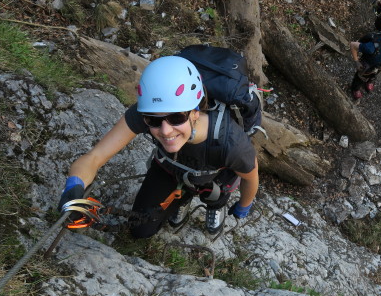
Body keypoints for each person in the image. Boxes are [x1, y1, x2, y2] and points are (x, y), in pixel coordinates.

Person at [57, 55, 259, 238]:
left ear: (195, 112)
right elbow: (94, 157)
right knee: (140, 230)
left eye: (176, 117)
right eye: (154, 121)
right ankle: (182, 199)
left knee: (215, 194)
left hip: (214, 175)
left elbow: (250, 177)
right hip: (170, 168)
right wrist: (74, 186)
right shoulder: (145, 113)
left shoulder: (231, 143)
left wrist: (243, 205)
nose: (165, 130)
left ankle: (215, 206)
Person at [349, 26, 381, 100]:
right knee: (360, 77)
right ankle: (355, 89)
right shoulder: (370, 47)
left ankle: (369, 81)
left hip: (379, 64)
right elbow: (352, 45)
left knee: (375, 73)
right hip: (367, 63)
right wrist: (356, 61)